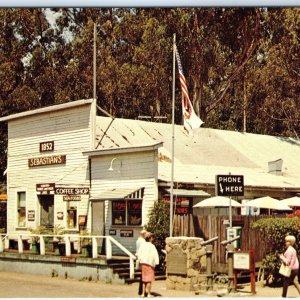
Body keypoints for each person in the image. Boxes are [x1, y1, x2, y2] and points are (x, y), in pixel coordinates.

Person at [137, 232, 159, 298]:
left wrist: (140, 260)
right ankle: (148, 293)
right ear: (150, 238)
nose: (153, 239)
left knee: (144, 280)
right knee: (149, 280)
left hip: (143, 264)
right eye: (152, 238)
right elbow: (155, 255)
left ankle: (143, 293)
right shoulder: (152, 246)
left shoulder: (142, 245)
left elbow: (139, 254)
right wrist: (156, 262)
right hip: (150, 264)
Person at [135, 229, 147, 295]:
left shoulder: (138, 240)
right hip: (142, 258)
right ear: (143, 234)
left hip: (139, 258)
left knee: (142, 275)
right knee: (143, 275)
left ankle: (140, 290)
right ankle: (142, 290)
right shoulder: (143, 241)